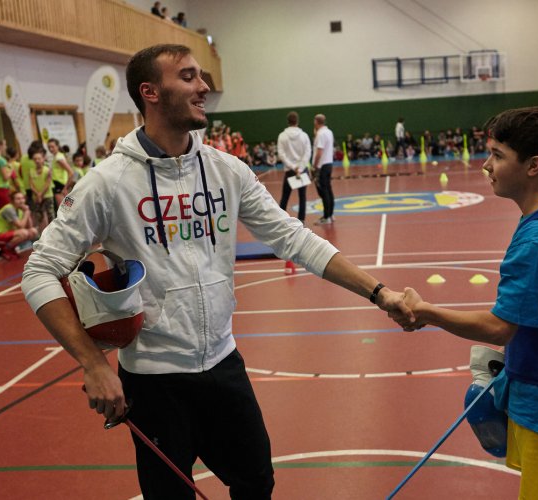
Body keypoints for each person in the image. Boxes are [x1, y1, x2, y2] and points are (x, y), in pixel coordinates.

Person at [21, 44, 413, 500]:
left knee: (256, 482)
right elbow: (40, 271)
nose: (204, 86)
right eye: (188, 77)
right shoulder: (107, 183)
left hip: (223, 366)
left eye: (201, 76)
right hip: (153, 381)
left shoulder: (226, 171)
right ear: (150, 92)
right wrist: (92, 363)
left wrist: (379, 292)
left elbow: (295, 238)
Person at [390, 107, 538, 500]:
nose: (487, 165)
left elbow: (499, 326)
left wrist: (426, 312)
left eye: (498, 155)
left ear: (533, 166)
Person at [277, 111, 311, 222]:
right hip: (302, 170)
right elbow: (308, 153)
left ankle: (281, 221)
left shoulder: (282, 136)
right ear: (297, 121)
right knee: (302, 197)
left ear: (288, 121)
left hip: (290, 171)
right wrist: (300, 168)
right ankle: (301, 220)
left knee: (285, 197)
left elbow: (281, 154)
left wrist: (293, 167)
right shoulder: (304, 136)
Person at [0, 190, 38, 260]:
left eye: (22, 198)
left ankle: (11, 249)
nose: (21, 201)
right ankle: (5, 250)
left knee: (33, 231)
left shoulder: (19, 210)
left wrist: (27, 213)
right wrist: (26, 213)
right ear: (12, 201)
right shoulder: (9, 209)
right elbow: (21, 226)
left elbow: (30, 227)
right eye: (18, 199)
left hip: (9, 235)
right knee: (24, 233)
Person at [312, 114, 335, 225]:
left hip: (321, 166)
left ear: (316, 122)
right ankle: (330, 214)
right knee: (328, 190)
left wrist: (314, 166)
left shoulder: (320, 134)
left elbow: (319, 152)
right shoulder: (329, 132)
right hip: (329, 164)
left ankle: (326, 217)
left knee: (324, 191)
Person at [28, 150, 53, 231]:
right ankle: (42, 234)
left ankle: (54, 233)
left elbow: (47, 183)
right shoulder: (31, 171)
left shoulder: (47, 170)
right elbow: (31, 185)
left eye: (39, 158)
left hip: (47, 195)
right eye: (35, 159)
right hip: (36, 197)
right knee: (39, 216)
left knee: (50, 215)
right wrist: (37, 195)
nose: (37, 161)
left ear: (43, 159)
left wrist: (40, 194)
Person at [46, 138, 75, 210]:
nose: (51, 149)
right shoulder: (58, 156)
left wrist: (65, 188)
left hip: (60, 185)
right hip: (60, 185)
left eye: (52, 147)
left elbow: (71, 172)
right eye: (49, 147)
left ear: (57, 146)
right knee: (68, 209)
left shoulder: (59, 158)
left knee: (64, 210)